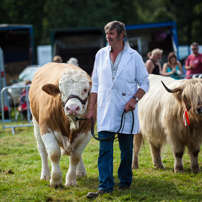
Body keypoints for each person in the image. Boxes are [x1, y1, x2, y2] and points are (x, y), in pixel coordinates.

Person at [86, 21, 149, 198]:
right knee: (104, 149)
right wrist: (91, 108)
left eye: (112, 34)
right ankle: (105, 185)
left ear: (122, 35)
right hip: (106, 108)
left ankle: (125, 181)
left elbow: (145, 83)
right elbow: (95, 84)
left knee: (126, 149)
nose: (108, 37)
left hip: (125, 109)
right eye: (107, 34)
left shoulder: (134, 56)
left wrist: (134, 99)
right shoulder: (100, 54)